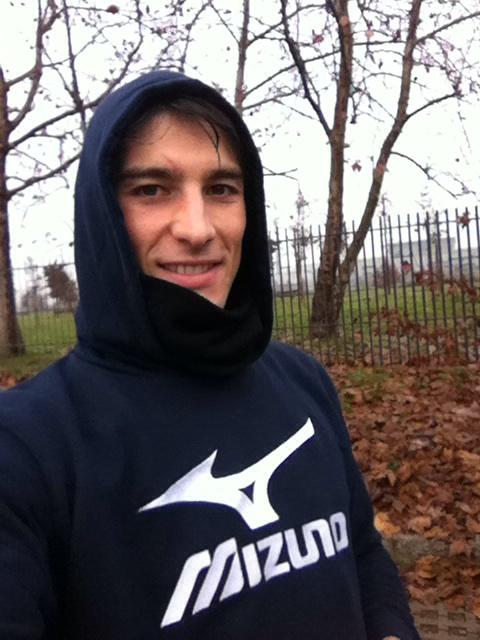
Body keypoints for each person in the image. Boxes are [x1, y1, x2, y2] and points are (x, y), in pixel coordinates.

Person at [0, 70, 420, 639]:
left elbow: (363, 554)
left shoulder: (302, 381)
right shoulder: (26, 446)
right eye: (152, 189)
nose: (197, 229)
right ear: (101, 213)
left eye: (221, 188)